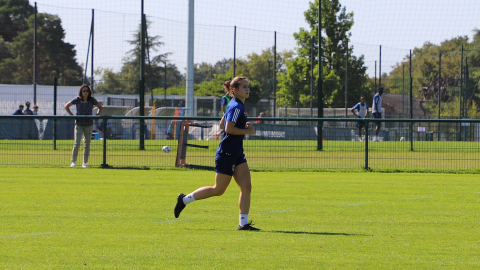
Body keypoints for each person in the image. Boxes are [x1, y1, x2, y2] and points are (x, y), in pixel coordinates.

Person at [174, 77, 260, 231]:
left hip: (237, 153)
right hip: (227, 153)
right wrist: (247, 130)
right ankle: (184, 200)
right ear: (234, 90)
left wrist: (241, 126)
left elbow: (221, 124)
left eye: (248, 87)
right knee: (218, 190)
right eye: (244, 87)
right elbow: (227, 128)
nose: (247, 89)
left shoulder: (236, 104)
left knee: (246, 187)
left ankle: (243, 223)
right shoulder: (236, 107)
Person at [64, 84, 103, 168]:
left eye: (87, 91)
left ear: (89, 92)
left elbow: (100, 107)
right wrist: (72, 115)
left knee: (87, 144)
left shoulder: (92, 100)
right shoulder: (77, 100)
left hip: (89, 124)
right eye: (84, 91)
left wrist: (97, 115)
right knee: (77, 143)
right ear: (81, 92)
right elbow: (66, 106)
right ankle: (73, 161)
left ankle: (85, 162)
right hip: (79, 124)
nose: (85, 92)